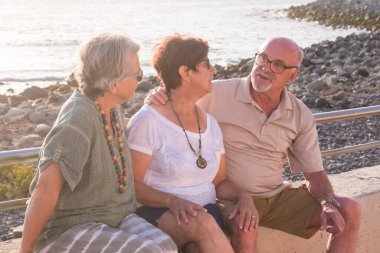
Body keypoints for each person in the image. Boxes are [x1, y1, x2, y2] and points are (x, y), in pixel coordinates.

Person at [146, 37, 361, 253]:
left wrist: (327, 203)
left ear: (293, 75)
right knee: (246, 224)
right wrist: (160, 93)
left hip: (276, 197)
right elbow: (176, 105)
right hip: (229, 197)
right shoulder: (215, 93)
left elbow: (314, 174)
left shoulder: (300, 114)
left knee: (349, 209)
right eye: (263, 58)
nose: (265, 68)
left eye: (277, 65)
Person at [20, 33, 177, 253]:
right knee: (146, 251)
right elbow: (44, 188)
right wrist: (25, 250)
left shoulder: (109, 108)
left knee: (166, 245)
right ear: (114, 83)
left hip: (114, 217)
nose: (142, 79)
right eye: (138, 74)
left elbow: (126, 130)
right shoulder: (77, 121)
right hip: (68, 227)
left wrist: (154, 103)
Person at [126, 34, 234, 253]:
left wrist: (245, 197)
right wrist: (171, 201)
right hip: (157, 211)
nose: (213, 70)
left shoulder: (211, 124)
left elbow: (220, 179)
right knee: (204, 226)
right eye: (207, 65)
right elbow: (131, 185)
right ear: (185, 72)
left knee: (198, 244)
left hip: (205, 212)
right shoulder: (148, 120)